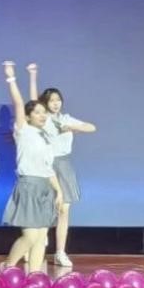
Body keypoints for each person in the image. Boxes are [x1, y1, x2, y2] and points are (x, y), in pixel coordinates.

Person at [0, 60, 65, 273]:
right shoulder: (23, 131)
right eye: (37, 112)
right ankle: (8, 266)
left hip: (45, 187)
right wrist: (11, 77)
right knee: (30, 236)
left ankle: (35, 276)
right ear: (27, 117)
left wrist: (59, 191)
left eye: (44, 112)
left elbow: (48, 169)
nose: (42, 115)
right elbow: (19, 103)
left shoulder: (45, 137)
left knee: (41, 237)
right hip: (28, 186)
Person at [28, 63, 97, 268]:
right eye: (52, 100)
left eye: (58, 100)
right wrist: (33, 75)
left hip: (64, 166)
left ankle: (60, 252)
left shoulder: (66, 119)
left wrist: (72, 127)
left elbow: (91, 127)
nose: (56, 103)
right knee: (43, 208)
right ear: (46, 102)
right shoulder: (43, 118)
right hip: (46, 165)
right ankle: (37, 244)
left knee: (64, 210)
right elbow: (33, 100)